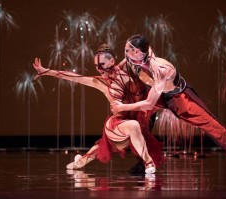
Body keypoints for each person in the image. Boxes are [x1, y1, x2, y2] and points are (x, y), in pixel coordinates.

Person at [111, 34, 226, 176]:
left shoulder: (161, 69)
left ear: (138, 52)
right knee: (140, 121)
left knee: (212, 126)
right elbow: (135, 54)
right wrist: (116, 69)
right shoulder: (137, 54)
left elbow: (149, 103)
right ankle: (143, 161)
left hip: (179, 98)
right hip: (158, 94)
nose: (125, 53)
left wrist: (122, 107)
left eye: (127, 50)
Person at [33, 44, 164, 174]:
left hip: (134, 118)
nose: (99, 69)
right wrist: (47, 71)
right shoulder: (100, 82)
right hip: (116, 124)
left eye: (102, 64)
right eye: (96, 66)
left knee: (102, 147)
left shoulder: (126, 66)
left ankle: (79, 162)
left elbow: (145, 51)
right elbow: (73, 77)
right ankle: (148, 163)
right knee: (133, 126)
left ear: (112, 61)